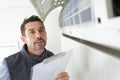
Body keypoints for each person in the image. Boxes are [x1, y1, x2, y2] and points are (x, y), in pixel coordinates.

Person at [0, 15, 69, 80]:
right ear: (24, 39)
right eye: (32, 32)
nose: (38, 35)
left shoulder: (52, 57)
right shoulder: (8, 64)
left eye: (41, 30)